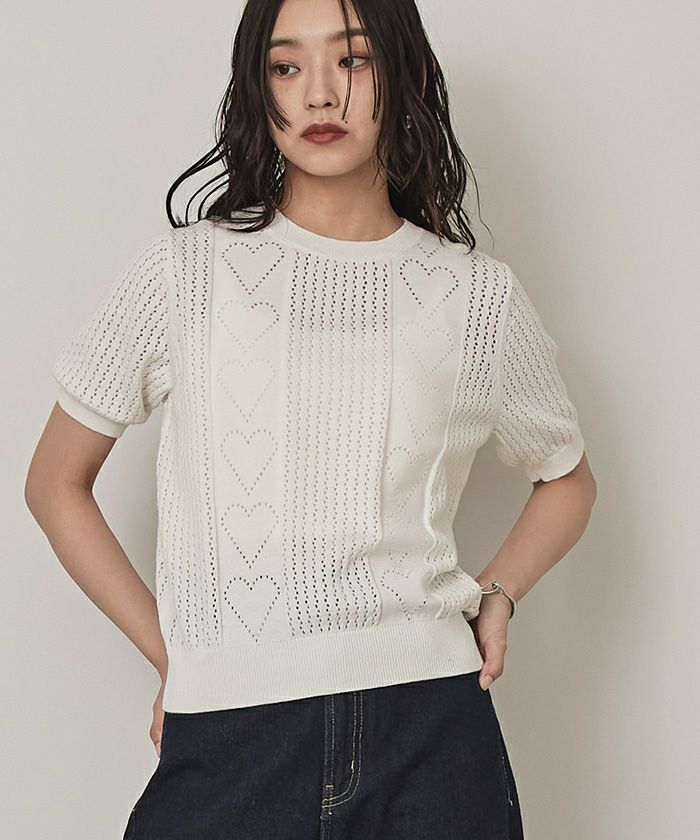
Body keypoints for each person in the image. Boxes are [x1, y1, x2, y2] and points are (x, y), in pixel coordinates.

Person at [25, 0, 597, 837]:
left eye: (353, 60)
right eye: (286, 67)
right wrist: (175, 655)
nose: (320, 94)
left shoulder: (475, 296)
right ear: (258, 91)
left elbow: (567, 480)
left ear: (402, 75)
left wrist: (498, 592)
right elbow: (54, 484)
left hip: (433, 730)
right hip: (230, 738)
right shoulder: (185, 273)